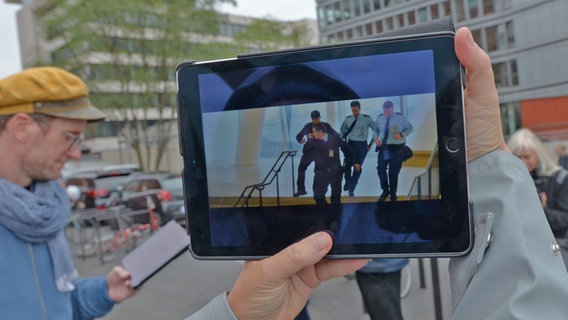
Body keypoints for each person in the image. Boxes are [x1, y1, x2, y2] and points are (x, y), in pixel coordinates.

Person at [185, 27, 568, 320]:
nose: (318, 119)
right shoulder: (239, 223)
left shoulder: (369, 142)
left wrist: (481, 157)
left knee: (348, 184)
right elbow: (314, 138)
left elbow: (359, 139)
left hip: (341, 164)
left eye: (316, 113)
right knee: (313, 177)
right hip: (316, 165)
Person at [0, 67, 137, 319]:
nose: (76, 153)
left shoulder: (44, 206)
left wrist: (104, 291)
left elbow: (56, 305)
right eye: (70, 137)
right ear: (22, 127)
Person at [507, 128, 568, 269]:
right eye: (517, 157)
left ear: (538, 155)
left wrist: (543, 209)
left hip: (554, 249)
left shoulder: (559, 179)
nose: (522, 162)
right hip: (519, 251)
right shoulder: (507, 182)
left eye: (527, 157)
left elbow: (565, 220)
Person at [375, 100, 413, 202]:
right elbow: (376, 130)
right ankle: (385, 191)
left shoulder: (400, 118)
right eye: (385, 112)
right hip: (384, 148)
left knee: (393, 173)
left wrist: (401, 134)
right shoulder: (379, 118)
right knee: (380, 170)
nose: (387, 114)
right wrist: (376, 139)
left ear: (393, 109)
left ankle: (393, 195)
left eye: (389, 112)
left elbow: (410, 128)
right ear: (383, 110)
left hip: (397, 149)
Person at [340, 100, 379, 197]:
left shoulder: (367, 118)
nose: (355, 112)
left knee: (357, 168)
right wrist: (343, 142)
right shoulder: (348, 119)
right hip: (350, 144)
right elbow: (342, 131)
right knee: (347, 165)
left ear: (360, 109)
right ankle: (348, 182)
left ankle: (351, 189)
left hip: (362, 146)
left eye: (356, 110)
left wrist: (371, 143)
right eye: (353, 110)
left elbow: (376, 130)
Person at [311, 123, 355, 206]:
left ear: (320, 131)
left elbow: (348, 151)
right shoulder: (314, 141)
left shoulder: (335, 138)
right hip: (321, 173)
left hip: (336, 172)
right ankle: (327, 213)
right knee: (317, 196)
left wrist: (346, 166)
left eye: (314, 131)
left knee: (336, 198)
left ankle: (335, 216)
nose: (312, 134)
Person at [294, 110, 336, 197]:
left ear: (319, 118)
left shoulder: (326, 126)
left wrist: (323, 136)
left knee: (320, 172)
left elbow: (335, 135)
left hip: (321, 153)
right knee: (301, 168)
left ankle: (321, 191)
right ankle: (301, 190)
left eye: (316, 118)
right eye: (313, 118)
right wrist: (301, 140)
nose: (314, 120)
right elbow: (298, 136)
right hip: (309, 151)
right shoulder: (308, 126)